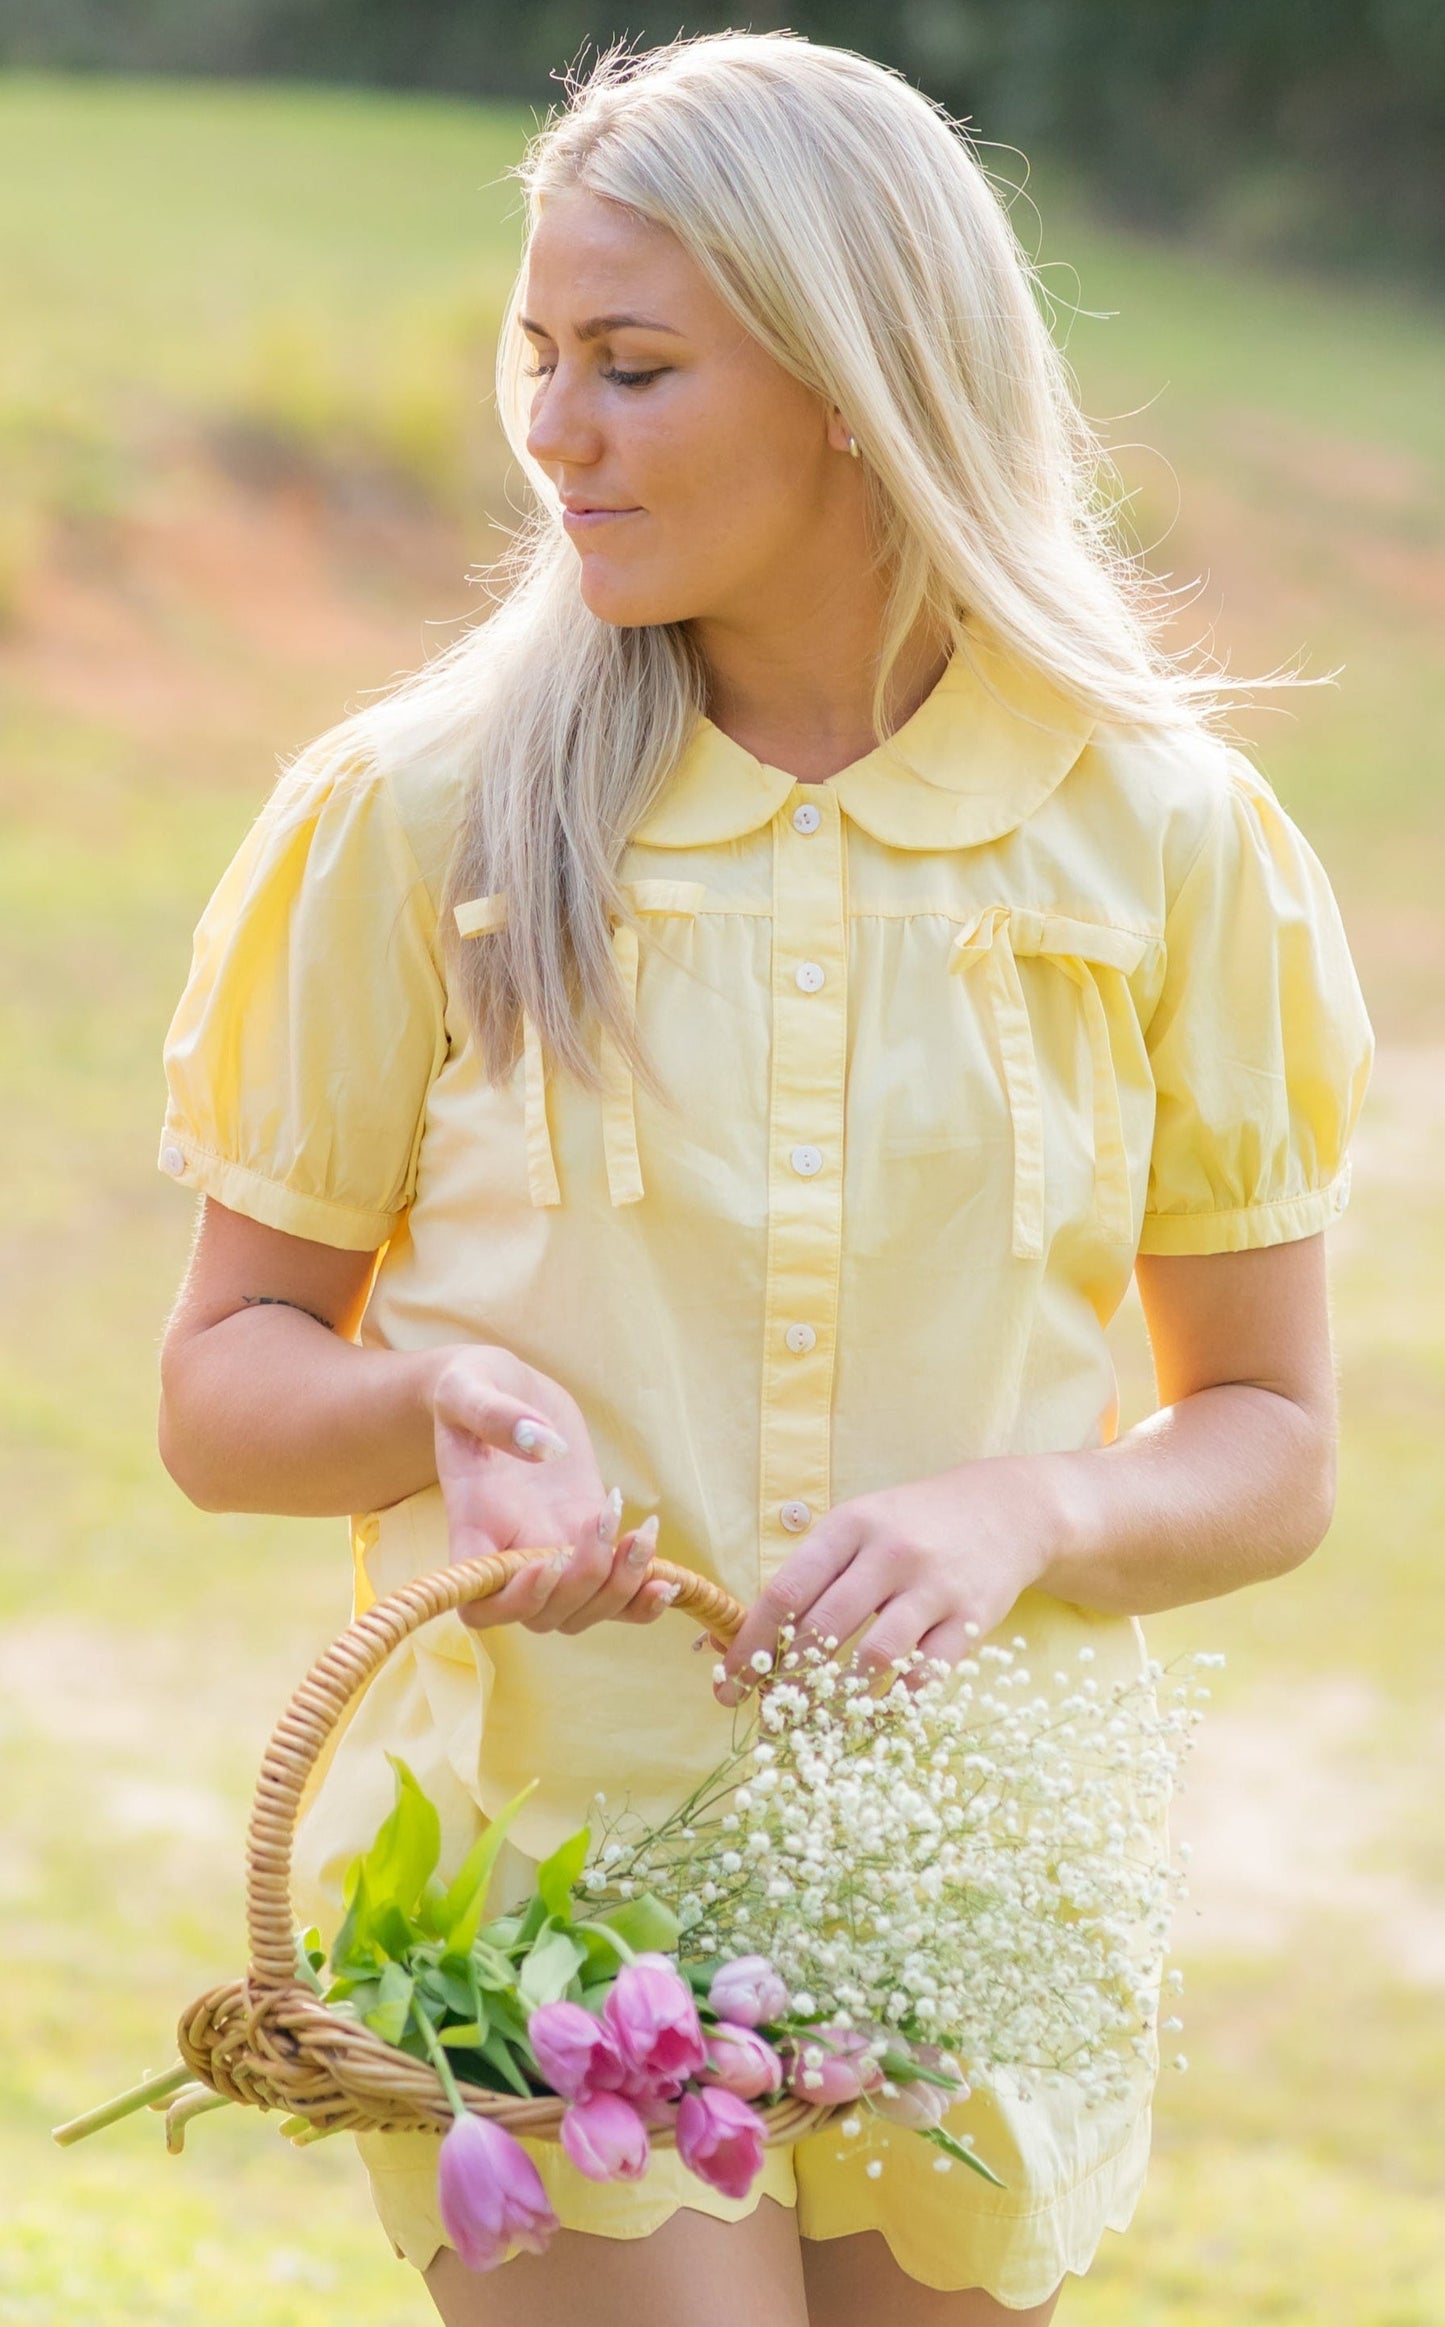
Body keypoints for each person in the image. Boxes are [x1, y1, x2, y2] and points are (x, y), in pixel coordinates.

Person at [154, 31, 1373, 2326]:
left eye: (630, 366)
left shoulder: (1165, 836)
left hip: (962, 1875)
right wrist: (440, 1408)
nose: (552, 432)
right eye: (539, 359)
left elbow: (1274, 1444)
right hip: (551, 1848)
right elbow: (222, 1382)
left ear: (851, 378)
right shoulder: (418, 818)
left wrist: (1035, 1511)